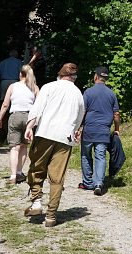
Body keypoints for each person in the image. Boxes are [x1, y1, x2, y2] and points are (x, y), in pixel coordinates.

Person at [23, 62, 85, 227]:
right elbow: (80, 117)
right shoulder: (78, 93)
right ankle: (51, 216)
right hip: (65, 138)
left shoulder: (49, 87)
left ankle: (36, 201)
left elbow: (38, 109)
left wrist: (29, 127)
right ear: (74, 77)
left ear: (60, 75)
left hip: (45, 133)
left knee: (36, 167)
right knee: (57, 178)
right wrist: (76, 131)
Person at [78, 66, 120, 196]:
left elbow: (83, 111)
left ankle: (87, 182)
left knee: (86, 155)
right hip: (103, 131)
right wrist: (117, 129)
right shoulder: (111, 94)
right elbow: (116, 114)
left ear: (95, 76)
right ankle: (98, 183)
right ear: (106, 78)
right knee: (100, 156)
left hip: (89, 130)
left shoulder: (88, 92)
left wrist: (79, 127)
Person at [0, 64, 39, 184]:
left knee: (14, 148)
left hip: (15, 116)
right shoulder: (34, 87)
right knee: (24, 146)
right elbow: (39, 105)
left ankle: (13, 175)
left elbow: (5, 104)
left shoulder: (13, 86)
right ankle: (20, 172)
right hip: (29, 117)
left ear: (20, 74)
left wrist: (0, 119)